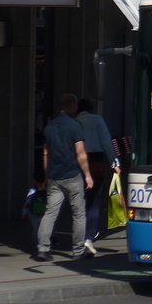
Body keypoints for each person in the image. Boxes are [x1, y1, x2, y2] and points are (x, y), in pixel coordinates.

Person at [35, 92, 93, 262]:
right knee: (79, 214)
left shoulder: (50, 127)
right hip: (73, 175)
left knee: (50, 213)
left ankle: (42, 249)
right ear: (73, 106)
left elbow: (45, 153)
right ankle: (78, 251)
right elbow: (80, 153)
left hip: (54, 176)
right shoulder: (75, 126)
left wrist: (46, 176)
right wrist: (88, 175)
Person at [75, 96, 118, 256]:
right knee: (94, 199)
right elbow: (106, 142)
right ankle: (88, 236)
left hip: (78, 160)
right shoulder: (97, 119)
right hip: (97, 160)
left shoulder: (75, 121)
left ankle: (77, 236)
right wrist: (114, 162)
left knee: (78, 199)